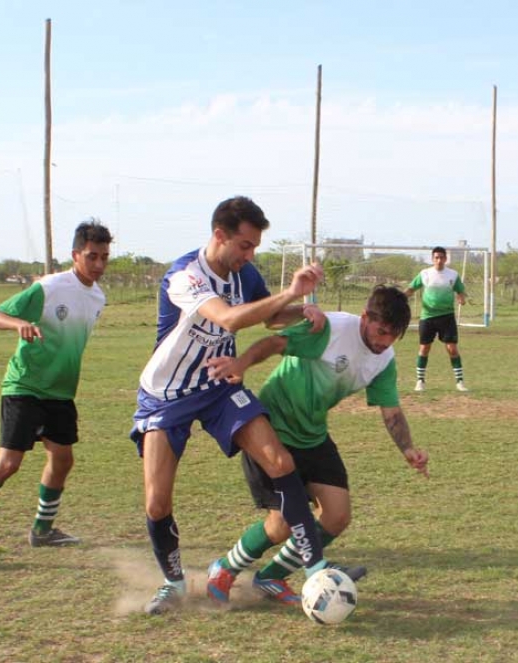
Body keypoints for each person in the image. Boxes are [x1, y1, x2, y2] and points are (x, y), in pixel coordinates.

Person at [131, 195, 357, 616]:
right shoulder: (184, 276)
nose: (250, 255)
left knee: (280, 461)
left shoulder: (244, 273)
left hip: (218, 383)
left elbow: (269, 317)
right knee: (157, 502)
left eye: (255, 247)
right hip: (167, 394)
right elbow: (231, 319)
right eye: (245, 245)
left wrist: (302, 310)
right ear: (220, 235)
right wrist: (291, 290)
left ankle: (315, 568)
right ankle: (173, 584)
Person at [203, 285, 429, 605]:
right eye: (380, 331)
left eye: (393, 335)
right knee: (280, 525)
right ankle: (224, 569)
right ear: (365, 317)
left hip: (313, 435)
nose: (384, 341)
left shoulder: (383, 360)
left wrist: (408, 448)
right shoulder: (331, 329)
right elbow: (274, 342)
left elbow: (391, 410)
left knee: (337, 515)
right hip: (271, 428)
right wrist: (241, 364)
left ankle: (271, 576)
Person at [0, 219, 112, 569]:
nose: (98, 265)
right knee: (8, 464)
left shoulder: (98, 297)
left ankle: (43, 530)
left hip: (60, 394)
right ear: (76, 254)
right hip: (25, 387)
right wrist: (19, 323)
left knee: (62, 459)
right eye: (92, 256)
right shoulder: (48, 288)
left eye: (104, 257)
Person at [404, 246, 468, 392]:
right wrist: (399, 297)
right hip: (428, 317)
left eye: (441, 257)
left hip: (447, 317)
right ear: (432, 259)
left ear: (446, 259)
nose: (439, 260)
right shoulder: (425, 274)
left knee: (452, 349)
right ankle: (420, 381)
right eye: (436, 257)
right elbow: (411, 289)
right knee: (424, 348)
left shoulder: (453, 274)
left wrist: (461, 298)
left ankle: (460, 382)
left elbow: (461, 291)